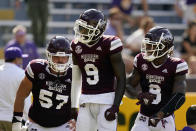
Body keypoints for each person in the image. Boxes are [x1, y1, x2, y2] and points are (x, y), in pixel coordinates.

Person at [71, 9, 126, 131]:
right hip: (85, 99)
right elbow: (76, 79)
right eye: (81, 28)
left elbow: (121, 78)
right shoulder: (76, 45)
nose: (81, 32)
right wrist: (73, 106)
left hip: (106, 100)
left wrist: (116, 106)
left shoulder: (110, 43)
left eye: (86, 29)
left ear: (98, 30)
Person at [126, 26, 188, 131]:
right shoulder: (141, 60)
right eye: (147, 45)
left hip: (165, 119)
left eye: (152, 46)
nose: (148, 49)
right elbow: (127, 86)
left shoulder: (176, 65)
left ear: (164, 47)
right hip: (143, 118)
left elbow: (179, 97)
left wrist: (160, 115)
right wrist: (139, 95)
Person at [12, 36, 76, 131]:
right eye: (56, 56)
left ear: (69, 57)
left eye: (64, 57)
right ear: (49, 56)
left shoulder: (74, 73)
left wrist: (76, 118)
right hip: (36, 124)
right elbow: (21, 95)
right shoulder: (37, 69)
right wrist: (16, 121)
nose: (60, 60)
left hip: (63, 125)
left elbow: (80, 101)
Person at [0, 47, 31, 131]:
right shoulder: (22, 74)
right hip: (14, 121)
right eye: (21, 59)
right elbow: (26, 100)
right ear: (17, 59)